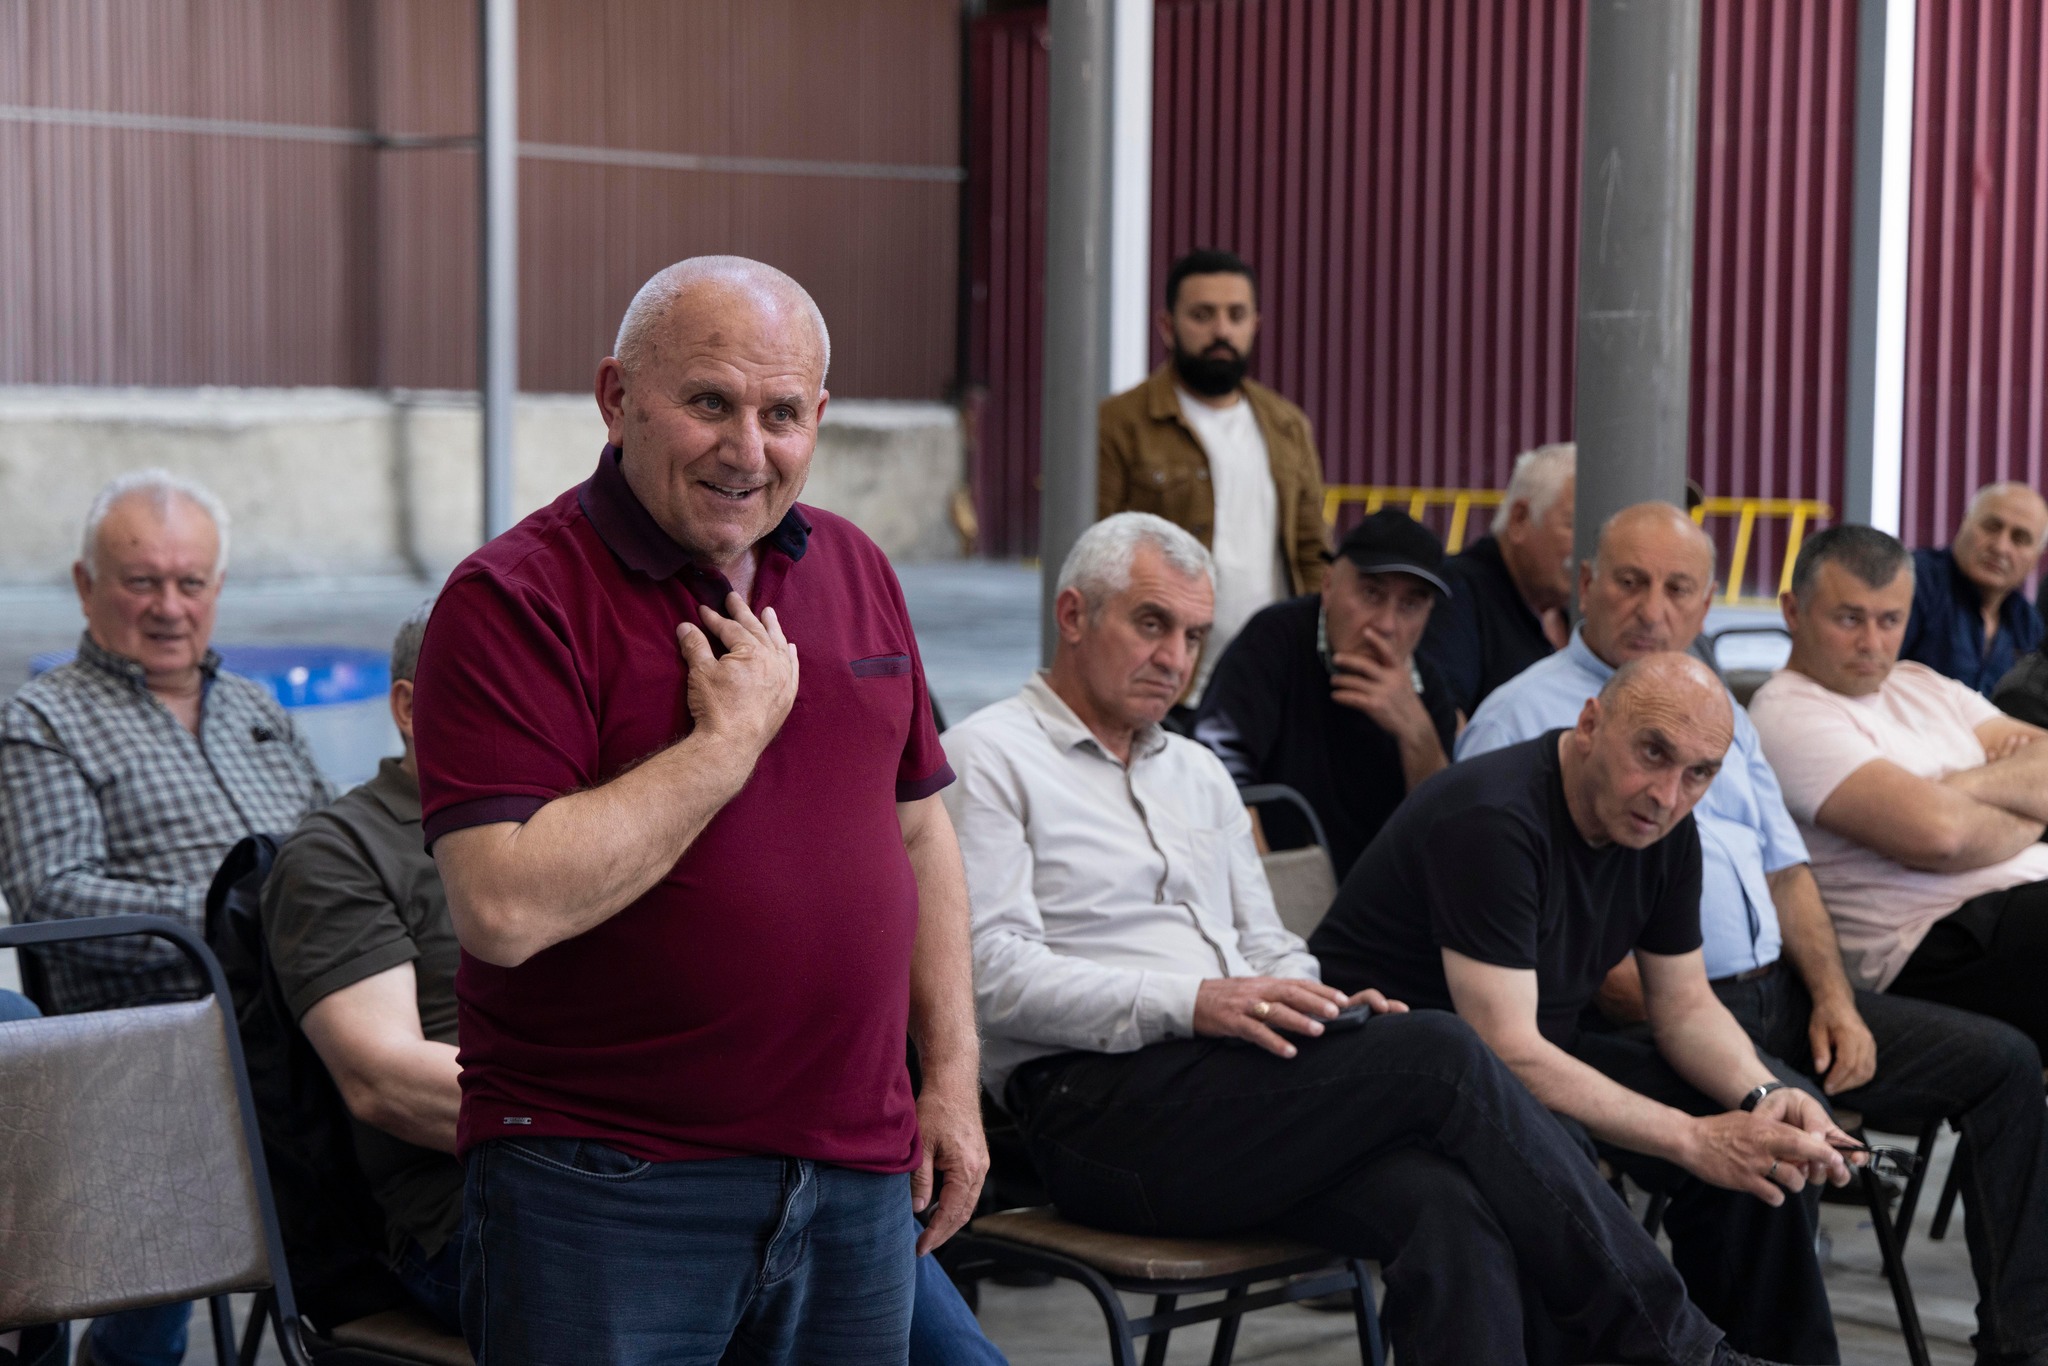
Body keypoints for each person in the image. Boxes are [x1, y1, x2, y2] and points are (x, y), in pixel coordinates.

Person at [946, 512, 1798, 1366]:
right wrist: (1196, 1001)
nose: (1175, 657)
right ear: (1072, 615)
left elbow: (1268, 943)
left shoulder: (1196, 772)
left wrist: (1320, 998)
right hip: (1094, 1115)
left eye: (1194, 635)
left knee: (1448, 1205)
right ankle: (1683, 1351)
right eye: (1151, 624)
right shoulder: (990, 759)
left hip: (1233, 1091)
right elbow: (990, 978)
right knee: (1444, 1050)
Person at [412, 256, 987, 1365]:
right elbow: (503, 908)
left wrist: (952, 1078)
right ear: (616, 397)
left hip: (854, 1176)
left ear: (818, 419)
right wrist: (723, 745)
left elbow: (918, 832)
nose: (747, 450)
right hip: (609, 1185)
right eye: (710, 402)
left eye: (781, 415)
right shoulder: (512, 600)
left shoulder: (857, 567)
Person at [269, 609, 1008, 1354]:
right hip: (498, 1194)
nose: (548, 719)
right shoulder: (342, 849)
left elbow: (910, 833)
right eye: (502, 701)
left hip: (774, 1154)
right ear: (409, 708)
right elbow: (383, 1077)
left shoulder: (600, 806)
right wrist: (663, 1114)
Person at [1463, 503, 2048, 1363]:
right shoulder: (1522, 715)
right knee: (1778, 1137)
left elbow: (1786, 872)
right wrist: (1669, 1008)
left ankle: (2025, 1343)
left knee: (2004, 1062)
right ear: (1586, 585)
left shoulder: (1715, 711)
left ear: (1708, 604)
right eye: (1630, 583)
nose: (1653, 609)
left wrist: (1836, 1000)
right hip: (1638, 1016)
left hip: (1777, 991)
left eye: (1679, 589)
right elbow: (1508, 924)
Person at [1314, 653, 1859, 1363]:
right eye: (1652, 753)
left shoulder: (1666, 830)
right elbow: (1504, 1051)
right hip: (1389, 1084)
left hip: (1532, 1054)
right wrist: (1693, 1139)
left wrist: (1763, 1094)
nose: (1667, 794)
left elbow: (1684, 1007)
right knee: (1572, 1147)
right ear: (1591, 724)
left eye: (1698, 773)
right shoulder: (1493, 817)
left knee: (1770, 1145)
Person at [0, 470, 332, 1366]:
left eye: (191, 582)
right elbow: (51, 894)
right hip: (151, 1039)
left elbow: (335, 850)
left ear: (217, 590)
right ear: (86, 586)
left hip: (307, 1014)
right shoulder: (44, 718)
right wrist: (229, 919)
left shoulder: (259, 710)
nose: (170, 607)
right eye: (142, 581)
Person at [1750, 525, 2048, 1055]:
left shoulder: (1919, 682)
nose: (1872, 643)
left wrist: (1955, 789)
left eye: (1890, 620)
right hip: (1929, 939)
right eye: (1849, 619)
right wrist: (2029, 812)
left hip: (2013, 909)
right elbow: (1941, 836)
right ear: (1793, 611)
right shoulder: (1788, 713)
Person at [1097, 249, 1328, 704]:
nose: (1221, 331)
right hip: (1165, 682)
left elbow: (1311, 553)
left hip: (1273, 682)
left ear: (1255, 325)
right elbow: (1097, 560)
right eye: (1202, 315)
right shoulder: (1119, 424)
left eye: (1235, 315)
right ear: (1167, 326)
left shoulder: (1287, 426)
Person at [1193, 508, 1454, 876]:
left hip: (1378, 896)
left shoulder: (1429, 687)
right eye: (1371, 594)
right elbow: (1219, 775)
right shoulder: (1274, 640)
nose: (1386, 625)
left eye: (1410, 605)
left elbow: (1443, 835)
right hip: (1270, 875)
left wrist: (1417, 736)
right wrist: (1273, 890)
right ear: (1328, 586)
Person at [1416, 442, 1576, 718]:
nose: (1593, 548)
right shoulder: (1454, 594)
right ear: (1519, 519)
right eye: (1573, 525)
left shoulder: (1576, 609)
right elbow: (1446, 725)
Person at [1900, 482, 2048, 695]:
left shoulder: (2027, 624)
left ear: (2037, 556)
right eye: (1991, 527)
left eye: (2019, 539)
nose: (2000, 547)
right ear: (1964, 523)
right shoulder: (1913, 581)